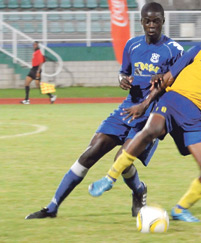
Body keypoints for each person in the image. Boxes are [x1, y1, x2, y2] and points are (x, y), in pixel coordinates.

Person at [88, 27, 201, 222]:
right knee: (151, 130)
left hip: (193, 118)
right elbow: (167, 79)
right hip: (172, 102)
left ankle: (180, 209)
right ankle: (109, 178)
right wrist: (144, 104)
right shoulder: (198, 52)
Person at [25, 2, 183, 219]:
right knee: (92, 150)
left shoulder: (174, 50)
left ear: (163, 21)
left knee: (122, 157)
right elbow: (123, 72)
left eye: (156, 21)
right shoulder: (132, 45)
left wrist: (164, 83)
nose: (152, 25)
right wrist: (122, 80)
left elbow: (181, 85)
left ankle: (138, 190)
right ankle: (52, 207)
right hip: (128, 107)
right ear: (142, 22)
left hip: (152, 114)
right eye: (148, 21)